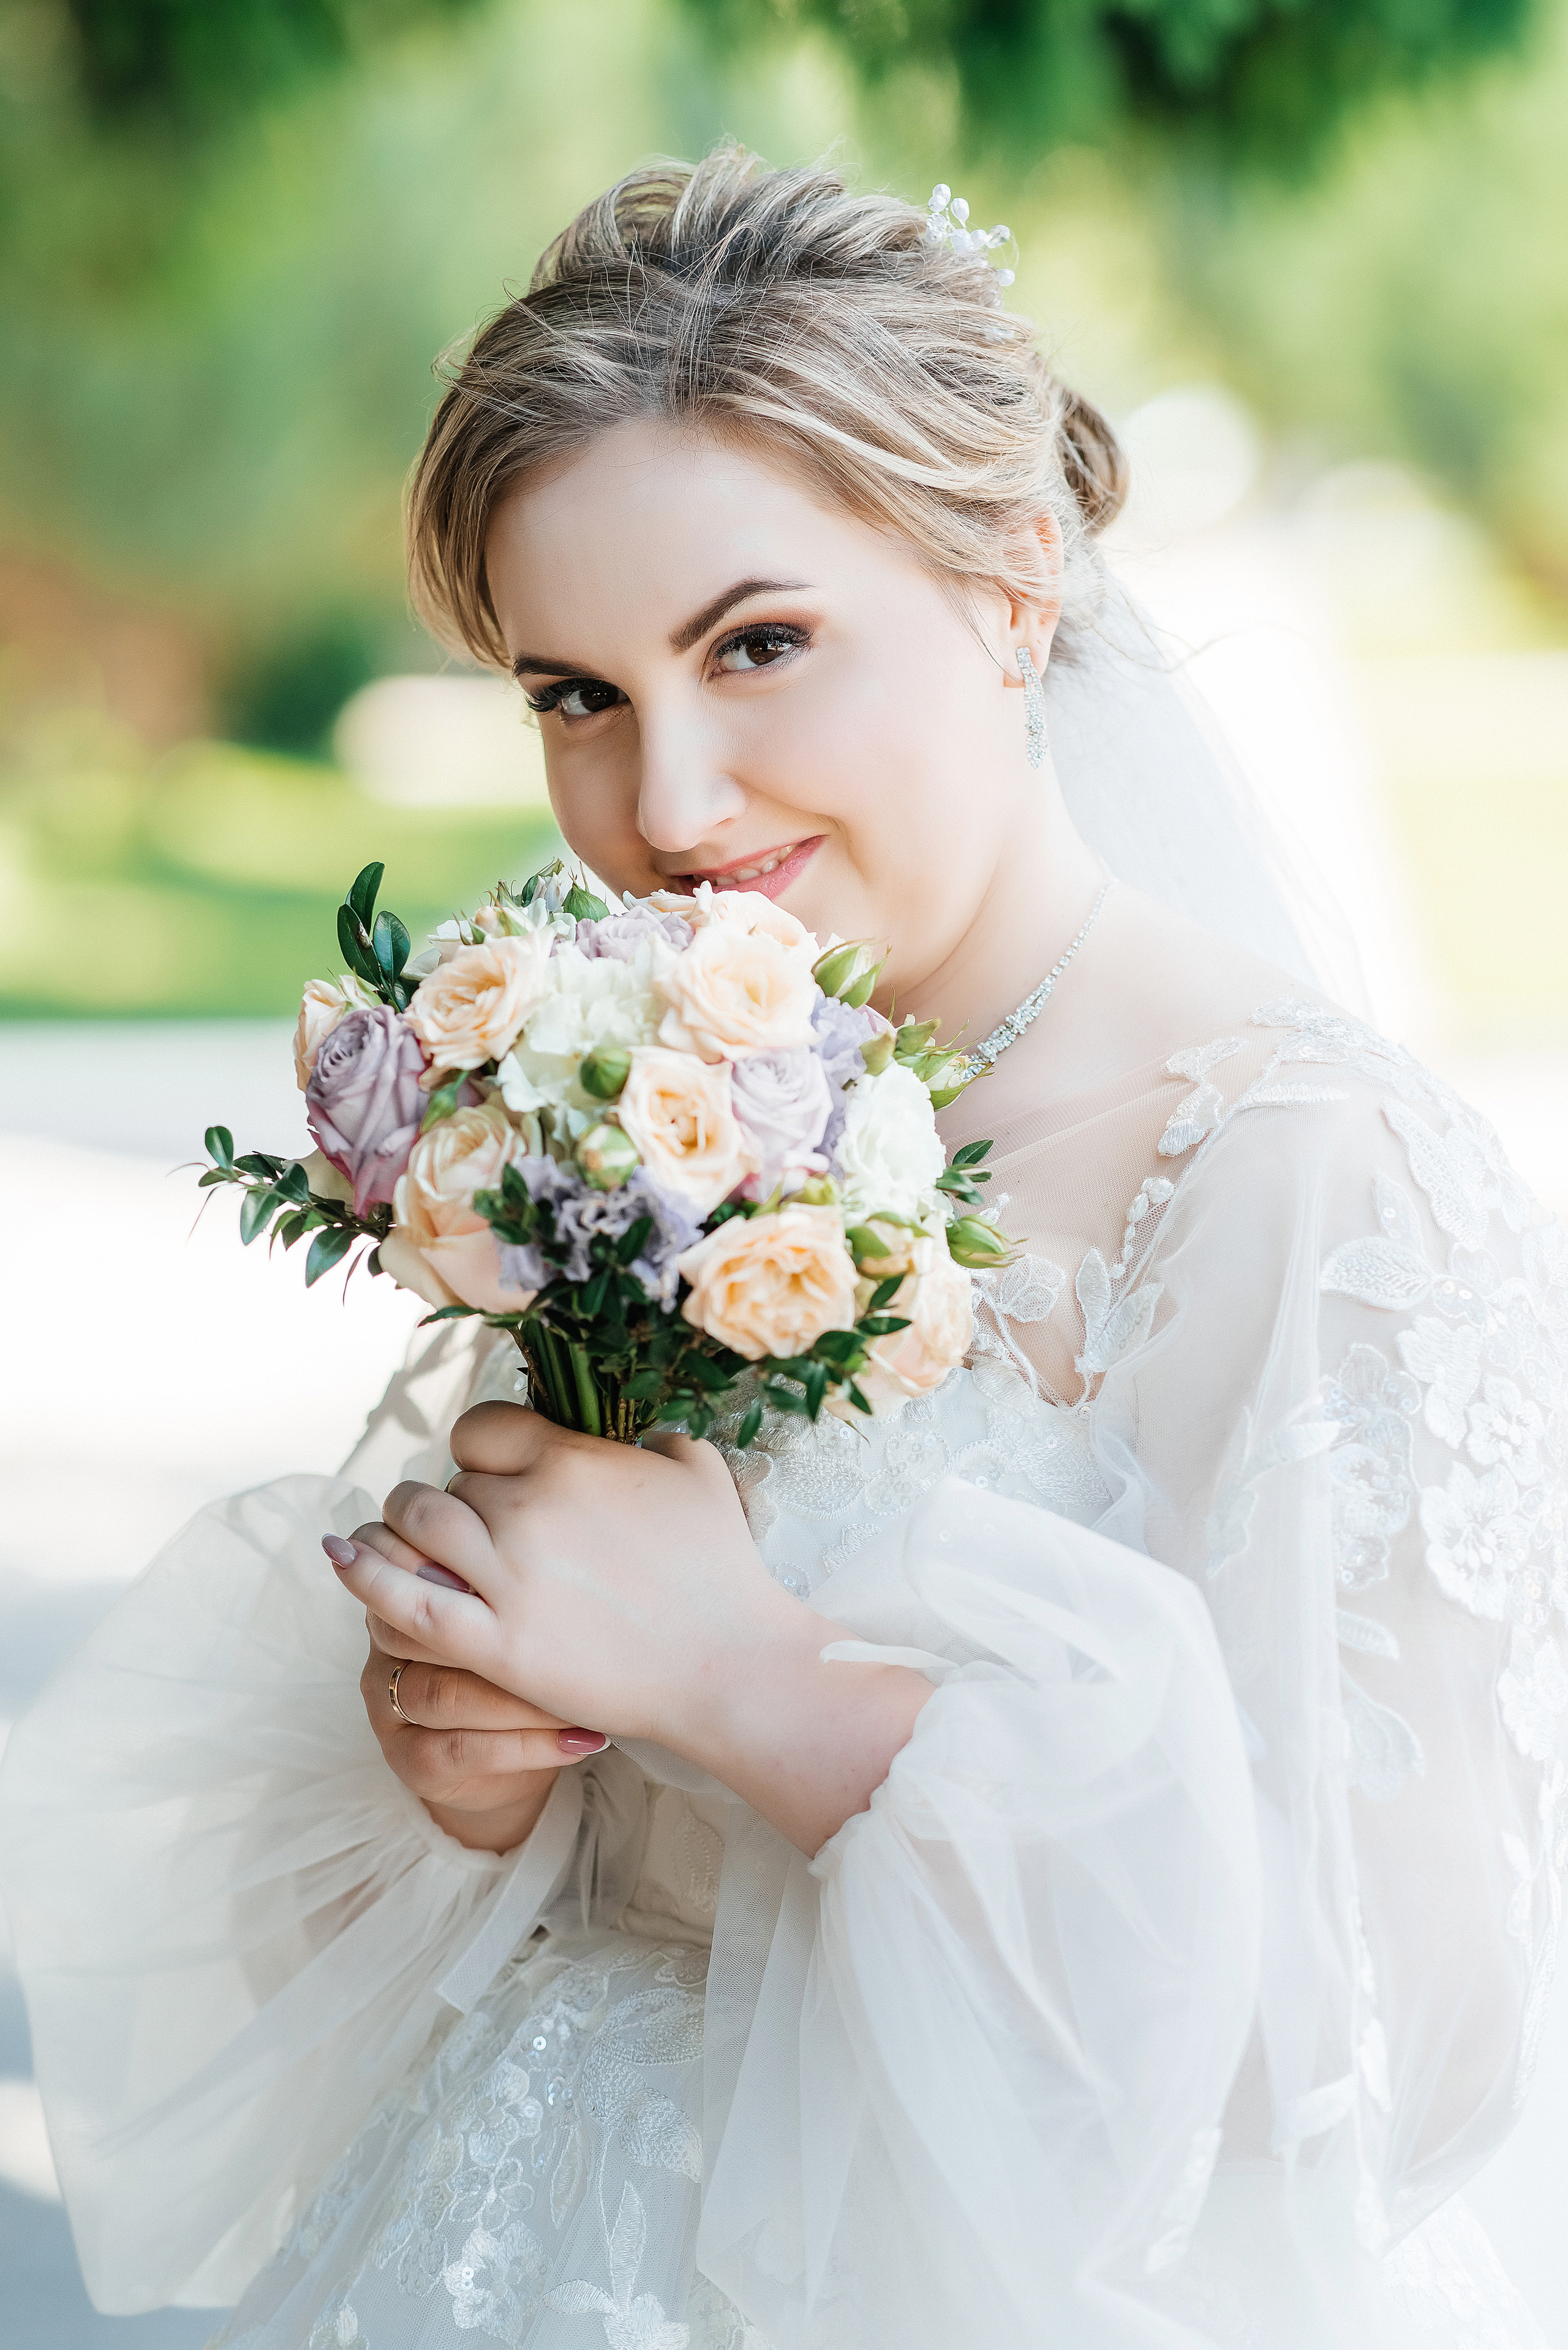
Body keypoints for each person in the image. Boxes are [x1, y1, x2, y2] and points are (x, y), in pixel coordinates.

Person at [2, 148, 1564, 2350]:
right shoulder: (632, 1096)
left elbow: (1404, 2050)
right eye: (576, 695)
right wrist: (468, 1774)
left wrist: (762, 1692)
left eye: (761, 644)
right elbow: (475, 1848)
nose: (668, 807)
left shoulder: (1310, 1179)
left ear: (1019, 578)